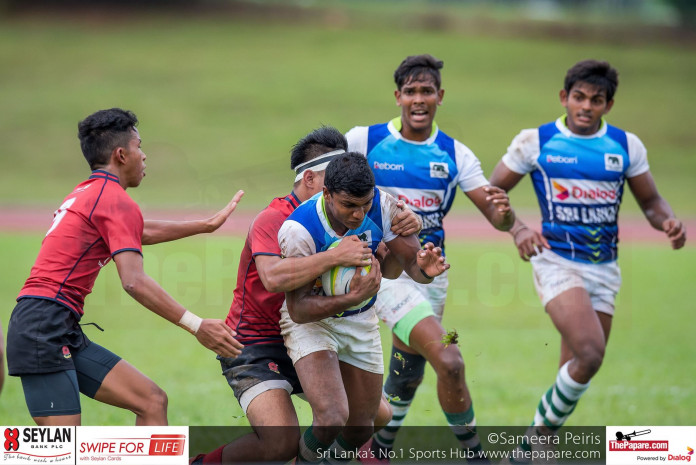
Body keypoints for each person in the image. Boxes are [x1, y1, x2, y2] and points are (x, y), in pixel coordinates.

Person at [488, 59, 686, 462]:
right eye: (578, 97)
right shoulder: (536, 142)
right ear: (564, 98)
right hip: (556, 261)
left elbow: (649, 202)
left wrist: (667, 221)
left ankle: (539, 449)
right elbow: (490, 193)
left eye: (596, 100)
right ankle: (530, 447)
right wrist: (518, 229)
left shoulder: (626, 146)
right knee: (592, 353)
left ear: (608, 105)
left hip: (605, 269)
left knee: (580, 365)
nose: (586, 106)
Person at [189, 127, 422, 464]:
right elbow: (272, 278)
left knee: (374, 416)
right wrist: (335, 256)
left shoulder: (352, 216)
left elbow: (389, 267)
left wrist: (403, 232)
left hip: (315, 331)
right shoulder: (275, 219)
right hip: (257, 343)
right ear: (313, 181)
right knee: (280, 442)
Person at [6, 108, 245, 426]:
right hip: (42, 327)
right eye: (139, 147)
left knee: (151, 401)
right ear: (121, 154)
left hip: (54, 324)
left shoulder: (87, 192)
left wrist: (204, 225)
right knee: (63, 453)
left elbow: (138, 230)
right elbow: (133, 281)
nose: (144, 156)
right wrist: (196, 324)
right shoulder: (113, 200)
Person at [346, 54, 514, 461]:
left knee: (409, 370)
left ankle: (377, 452)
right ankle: (476, 454)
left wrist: (506, 217)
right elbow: (322, 187)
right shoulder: (362, 141)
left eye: (426, 91)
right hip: (381, 274)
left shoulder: (456, 154)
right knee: (450, 361)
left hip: (430, 273)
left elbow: (494, 215)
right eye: (410, 92)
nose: (418, 99)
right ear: (397, 96)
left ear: (440, 96)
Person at [278, 152, 450, 464]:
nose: (359, 215)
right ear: (327, 194)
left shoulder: (383, 206)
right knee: (331, 418)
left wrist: (425, 269)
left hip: (359, 320)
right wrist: (351, 297)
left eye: (364, 204)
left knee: (361, 427)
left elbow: (405, 267)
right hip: (312, 324)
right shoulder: (298, 230)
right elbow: (299, 310)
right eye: (349, 206)